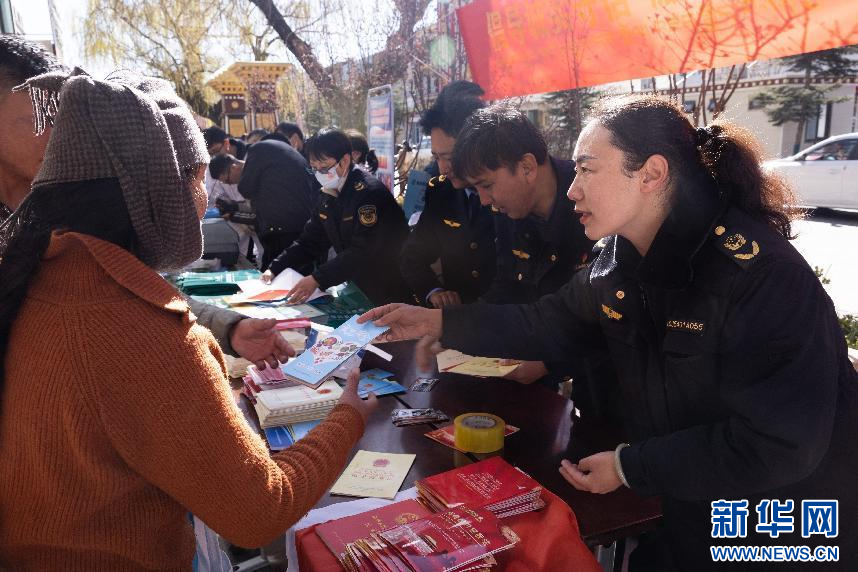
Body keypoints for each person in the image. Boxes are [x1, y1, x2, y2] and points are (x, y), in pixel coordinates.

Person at [360, 94, 858, 570]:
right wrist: (438, 322)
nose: (572, 189)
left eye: (587, 169)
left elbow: (779, 445)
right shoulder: (618, 261)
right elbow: (547, 323)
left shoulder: (760, 276)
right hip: (687, 507)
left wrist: (629, 467)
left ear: (651, 174)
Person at [0, 68, 374, 570]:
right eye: (196, 179)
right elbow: (260, 510)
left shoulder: (39, 273)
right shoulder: (139, 331)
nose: (204, 200)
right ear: (155, 192)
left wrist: (226, 337)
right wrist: (347, 418)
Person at [0, 34, 286, 373]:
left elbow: (127, 292)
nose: (63, 131)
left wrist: (228, 328)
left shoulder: (54, 212)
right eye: (44, 113)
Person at [453, 103, 599, 389]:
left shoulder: (592, 199)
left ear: (527, 167)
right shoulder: (511, 208)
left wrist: (551, 362)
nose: (484, 200)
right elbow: (507, 285)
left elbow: (610, 313)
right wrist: (456, 331)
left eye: (487, 185)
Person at [263, 128, 413, 306]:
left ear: (345, 160)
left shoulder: (368, 194)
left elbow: (362, 251)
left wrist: (317, 279)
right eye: (314, 169)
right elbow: (310, 241)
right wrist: (275, 268)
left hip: (391, 285)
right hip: (360, 285)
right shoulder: (328, 193)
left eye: (324, 168)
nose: (320, 174)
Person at [398, 81, 496, 308]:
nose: (443, 168)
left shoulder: (507, 191)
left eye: (450, 158)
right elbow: (412, 256)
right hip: (457, 319)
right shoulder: (441, 192)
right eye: (436, 157)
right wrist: (433, 291)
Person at [215, 135, 319, 272]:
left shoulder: (256, 152)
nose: (231, 184)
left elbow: (246, 191)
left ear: (234, 167)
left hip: (283, 231)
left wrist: (234, 211)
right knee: (295, 272)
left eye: (228, 181)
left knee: (274, 275)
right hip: (301, 223)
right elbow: (263, 206)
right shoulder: (270, 166)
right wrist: (234, 211)